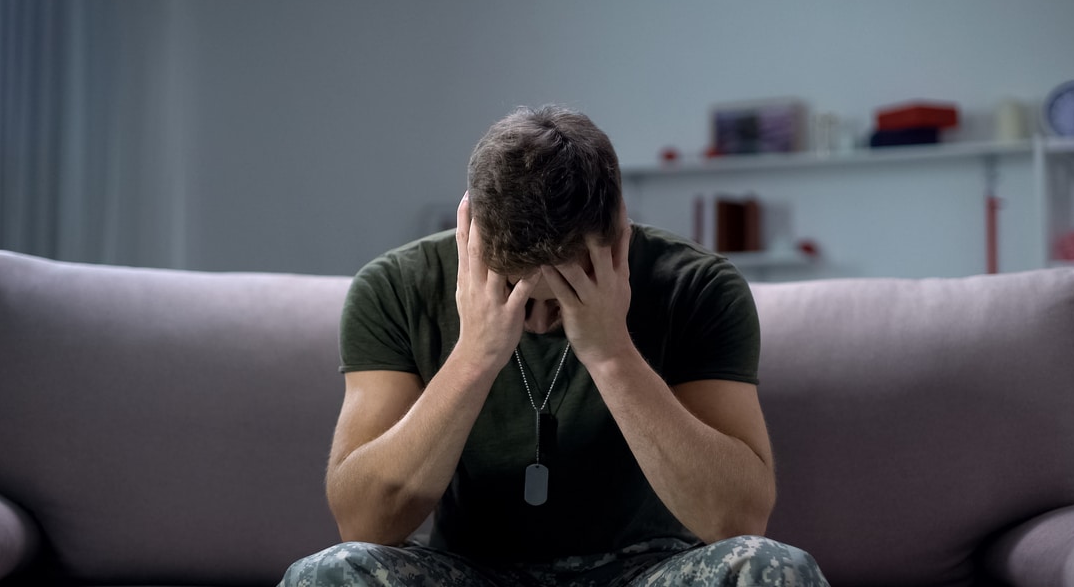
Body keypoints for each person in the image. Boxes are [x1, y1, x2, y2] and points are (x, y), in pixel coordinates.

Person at [280, 105, 827, 586]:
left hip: (647, 568)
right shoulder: (394, 287)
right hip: (473, 569)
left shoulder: (699, 286)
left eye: (567, 292)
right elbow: (364, 523)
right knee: (326, 576)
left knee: (774, 570)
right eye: (512, 290)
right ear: (469, 230)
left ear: (619, 232)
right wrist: (475, 356)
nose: (538, 321)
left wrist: (611, 353)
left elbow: (738, 521)